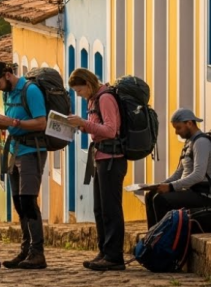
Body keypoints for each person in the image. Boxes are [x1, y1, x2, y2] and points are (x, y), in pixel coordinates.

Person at [0, 61, 48, 269]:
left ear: (7, 74)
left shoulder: (30, 91)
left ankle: (37, 253)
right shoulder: (7, 93)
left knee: (29, 202)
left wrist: (14, 124)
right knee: (19, 204)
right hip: (14, 152)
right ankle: (25, 250)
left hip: (31, 152)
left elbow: (41, 122)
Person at [66, 68, 126, 271]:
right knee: (99, 209)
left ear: (88, 84)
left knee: (111, 209)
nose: (78, 94)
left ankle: (114, 256)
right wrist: (80, 125)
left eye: (79, 89)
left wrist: (84, 123)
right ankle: (104, 251)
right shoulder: (93, 100)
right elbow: (96, 127)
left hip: (112, 159)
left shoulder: (105, 98)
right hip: (100, 157)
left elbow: (110, 130)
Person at [144, 108, 211, 228]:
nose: (176, 132)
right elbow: (179, 172)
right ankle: (153, 236)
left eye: (178, 128)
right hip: (190, 192)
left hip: (203, 195)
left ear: (189, 123)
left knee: (160, 200)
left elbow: (199, 175)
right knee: (151, 195)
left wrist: (171, 187)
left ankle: (164, 238)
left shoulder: (201, 143)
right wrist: (161, 185)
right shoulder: (189, 142)